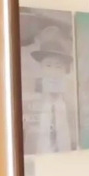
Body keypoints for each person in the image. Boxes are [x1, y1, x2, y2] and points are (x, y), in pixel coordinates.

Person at [30, 22, 75, 153]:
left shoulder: (71, 106)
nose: (53, 72)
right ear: (41, 68)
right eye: (48, 65)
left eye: (58, 66)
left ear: (65, 70)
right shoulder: (32, 104)